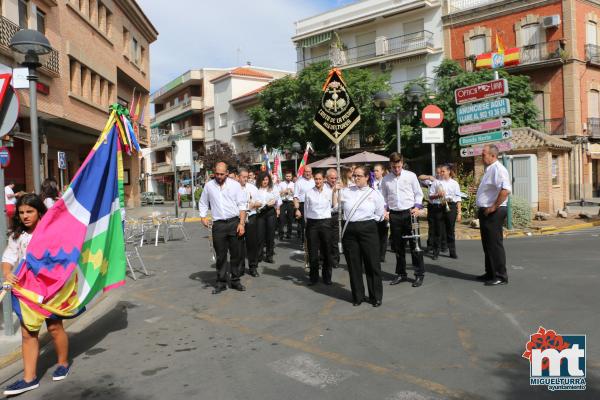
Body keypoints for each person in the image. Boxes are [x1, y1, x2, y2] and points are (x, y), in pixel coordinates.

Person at [2, 194, 70, 396]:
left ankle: (63, 362)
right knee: (27, 333)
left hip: (50, 289)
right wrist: (7, 272)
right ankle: (29, 378)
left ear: (39, 212)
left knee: (55, 327)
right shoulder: (17, 236)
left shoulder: (51, 232)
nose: (25, 216)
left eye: (29, 211)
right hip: (27, 291)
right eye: (21, 212)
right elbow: (8, 257)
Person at [199, 162, 247, 294]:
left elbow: (242, 205)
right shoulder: (209, 186)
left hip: (234, 223)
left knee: (236, 254)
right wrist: (203, 217)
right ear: (214, 172)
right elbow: (203, 202)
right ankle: (221, 282)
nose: (219, 176)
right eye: (217, 174)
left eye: (222, 174)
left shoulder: (235, 185)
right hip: (218, 225)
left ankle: (235, 280)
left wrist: (241, 223)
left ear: (227, 173)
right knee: (220, 255)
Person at [340, 166, 385, 307]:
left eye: (360, 175)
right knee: (354, 265)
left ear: (367, 177)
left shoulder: (374, 193)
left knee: (372, 264)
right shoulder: (346, 191)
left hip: (368, 228)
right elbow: (335, 207)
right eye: (355, 175)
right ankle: (358, 296)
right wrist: (335, 192)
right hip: (350, 230)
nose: (356, 178)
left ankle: (376, 296)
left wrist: (369, 223)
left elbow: (380, 214)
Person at [381, 153, 425, 288]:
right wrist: (384, 210)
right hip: (394, 215)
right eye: (394, 167)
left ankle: (419, 275)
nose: (397, 169)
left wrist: (417, 207)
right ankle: (401, 274)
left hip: (409, 213)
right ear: (390, 165)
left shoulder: (411, 176)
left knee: (414, 246)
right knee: (398, 247)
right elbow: (383, 197)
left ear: (402, 163)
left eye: (399, 166)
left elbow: (418, 193)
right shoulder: (386, 179)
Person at [476, 144, 512, 286]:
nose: (481, 155)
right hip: (486, 211)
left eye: (483, 153)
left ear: (493, 155)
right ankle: (490, 272)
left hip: (494, 212)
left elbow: (505, 189)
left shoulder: (498, 169)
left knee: (494, 244)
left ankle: (500, 276)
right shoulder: (489, 169)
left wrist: (493, 207)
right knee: (487, 244)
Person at [304, 172, 335, 285]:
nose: (318, 181)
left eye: (320, 179)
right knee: (312, 252)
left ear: (324, 180)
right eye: (316, 179)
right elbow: (306, 210)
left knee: (327, 250)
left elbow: (334, 206)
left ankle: (327, 277)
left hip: (326, 222)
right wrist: (306, 224)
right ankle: (314, 277)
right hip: (312, 224)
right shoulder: (309, 193)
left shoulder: (330, 191)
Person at [427, 164, 462, 260]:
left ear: (448, 171)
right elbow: (430, 196)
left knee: (450, 229)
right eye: (440, 171)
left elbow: (458, 198)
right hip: (439, 206)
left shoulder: (454, 183)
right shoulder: (436, 182)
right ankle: (436, 252)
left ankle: (452, 251)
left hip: (451, 206)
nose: (441, 173)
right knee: (438, 230)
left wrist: (459, 212)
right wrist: (437, 195)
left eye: (443, 171)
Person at [238, 168, 260, 277]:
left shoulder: (252, 188)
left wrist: (253, 205)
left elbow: (260, 202)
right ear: (238, 177)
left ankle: (253, 267)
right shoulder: (234, 188)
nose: (245, 179)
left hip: (251, 217)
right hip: (238, 218)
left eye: (247, 177)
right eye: (243, 177)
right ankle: (240, 267)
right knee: (239, 244)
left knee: (252, 244)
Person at [255, 171, 281, 264]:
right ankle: (259, 255)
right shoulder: (256, 189)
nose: (265, 181)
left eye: (266, 179)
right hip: (260, 213)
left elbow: (276, 200)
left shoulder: (273, 188)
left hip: (270, 212)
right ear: (260, 180)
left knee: (270, 235)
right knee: (260, 235)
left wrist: (273, 205)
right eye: (263, 180)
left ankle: (269, 256)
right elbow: (254, 201)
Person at [293, 166, 315, 241]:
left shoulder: (314, 181)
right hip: (303, 205)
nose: (308, 173)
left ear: (311, 172)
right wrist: (297, 209)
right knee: (304, 225)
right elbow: (295, 197)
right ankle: (304, 242)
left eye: (309, 171)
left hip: (313, 205)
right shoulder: (298, 182)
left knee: (313, 224)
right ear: (303, 172)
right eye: (306, 171)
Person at [372, 164, 388, 263]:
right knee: (375, 233)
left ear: (382, 171)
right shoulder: (372, 183)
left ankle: (382, 254)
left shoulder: (386, 182)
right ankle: (376, 253)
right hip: (374, 211)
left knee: (383, 234)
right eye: (374, 171)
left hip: (384, 210)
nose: (375, 172)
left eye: (377, 170)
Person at [325, 168, 341, 269]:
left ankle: (335, 259)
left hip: (335, 215)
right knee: (326, 239)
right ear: (327, 178)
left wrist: (336, 192)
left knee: (335, 239)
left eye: (335, 178)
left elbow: (339, 204)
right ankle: (324, 259)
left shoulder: (340, 188)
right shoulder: (323, 188)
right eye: (332, 178)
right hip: (325, 215)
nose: (334, 180)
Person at [278, 171, 295, 240]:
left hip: (290, 202)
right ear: (285, 176)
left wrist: (291, 191)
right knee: (281, 219)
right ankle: (281, 234)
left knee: (290, 219)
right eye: (287, 176)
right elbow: (278, 193)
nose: (288, 177)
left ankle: (289, 234)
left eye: (289, 176)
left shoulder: (293, 184)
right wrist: (284, 191)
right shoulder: (281, 184)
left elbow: (295, 194)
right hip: (283, 202)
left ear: (291, 177)